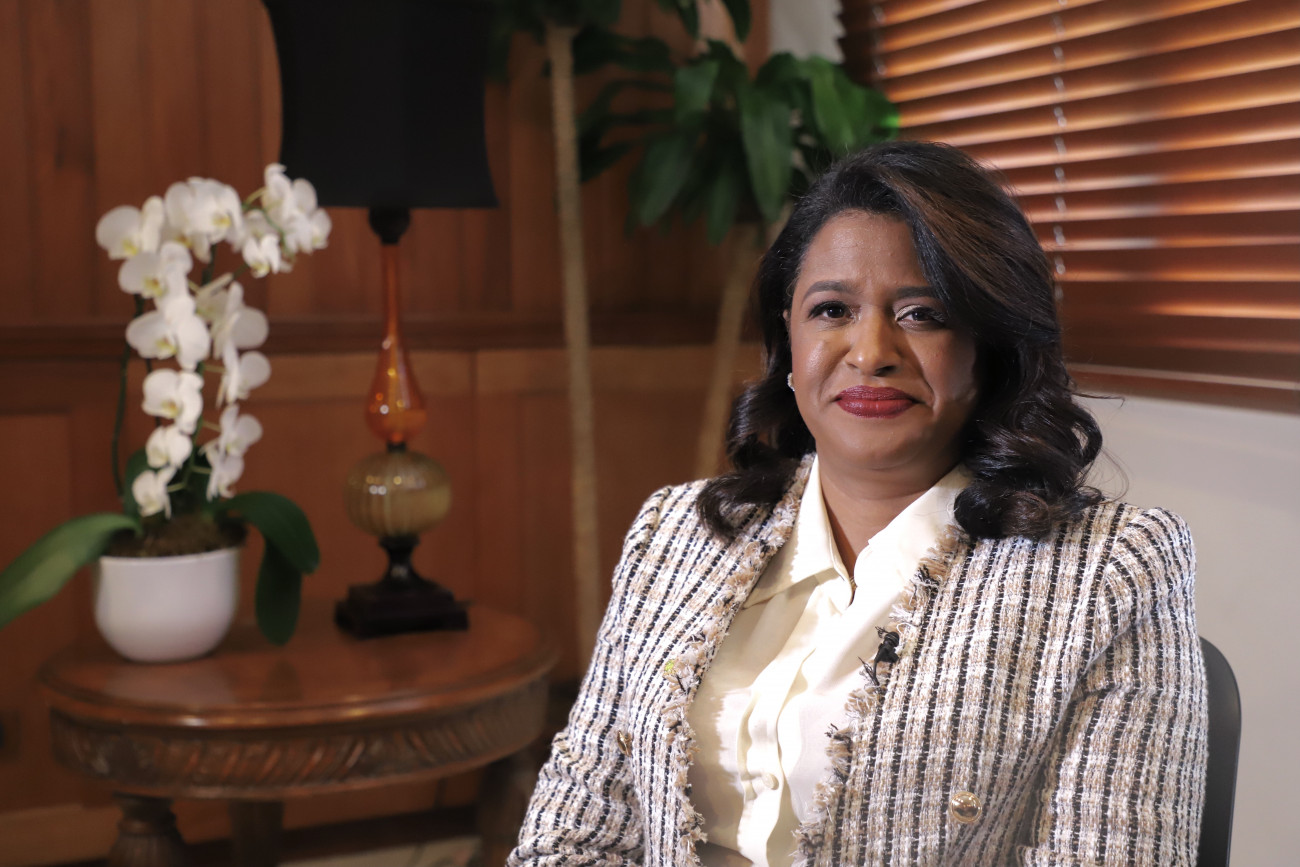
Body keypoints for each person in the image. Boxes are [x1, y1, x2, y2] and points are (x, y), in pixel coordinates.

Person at [507, 141, 1207, 867]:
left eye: (923, 313)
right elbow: (570, 834)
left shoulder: (1110, 571)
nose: (870, 351)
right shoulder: (676, 532)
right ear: (788, 336)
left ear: (991, 345)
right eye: (832, 309)